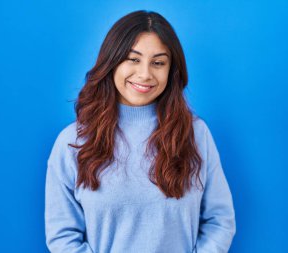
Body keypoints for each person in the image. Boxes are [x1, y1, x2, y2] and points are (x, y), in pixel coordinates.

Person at [45, 10, 236, 253]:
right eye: (133, 59)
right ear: (112, 62)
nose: (145, 73)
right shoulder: (73, 142)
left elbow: (220, 220)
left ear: (171, 70)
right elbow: (62, 236)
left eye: (158, 63)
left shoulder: (196, 134)